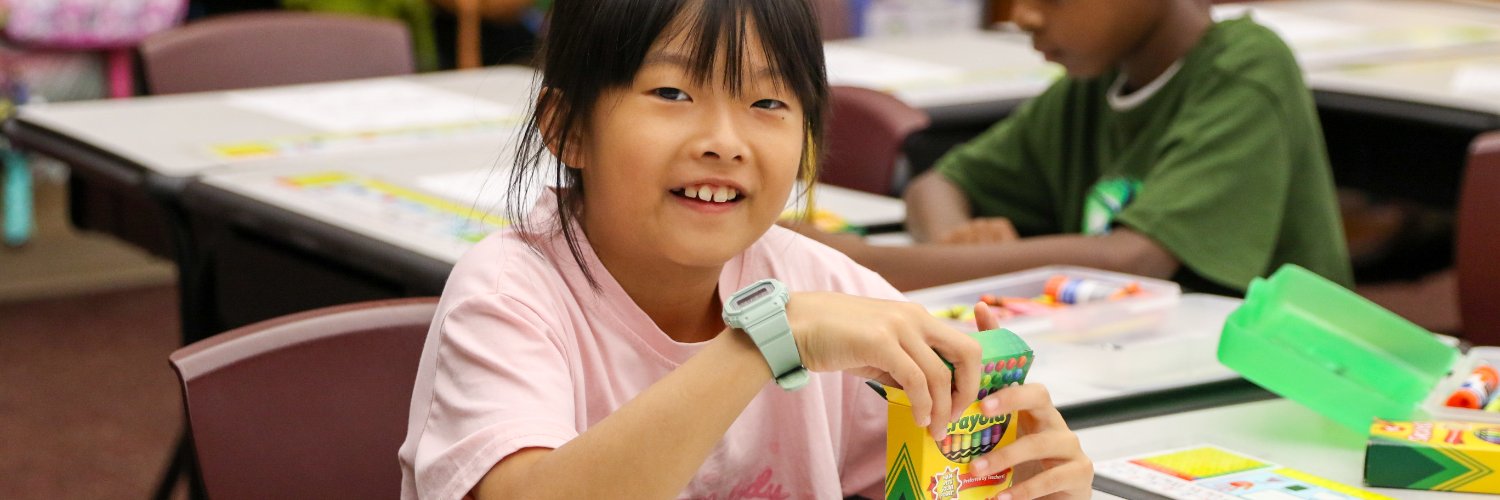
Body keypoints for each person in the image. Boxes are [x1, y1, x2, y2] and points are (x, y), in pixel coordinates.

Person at [398, 0, 1093, 498]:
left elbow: (925, 476)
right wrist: (768, 341)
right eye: (671, 91)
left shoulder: (823, 284)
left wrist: (1013, 477)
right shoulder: (511, 294)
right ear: (567, 127)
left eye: (768, 104)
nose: (724, 141)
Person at [798, 0, 1354, 295]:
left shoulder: (1246, 69)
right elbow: (937, 184)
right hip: (1140, 358)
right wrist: (957, 243)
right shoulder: (1092, 85)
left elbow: (1139, 259)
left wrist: (866, 262)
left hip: (1292, 382)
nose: (1023, 15)